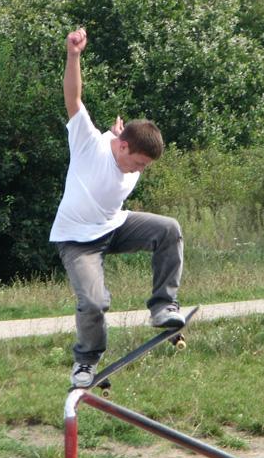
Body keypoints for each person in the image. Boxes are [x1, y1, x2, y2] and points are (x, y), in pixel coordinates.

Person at [50, 28, 185, 388]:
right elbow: (73, 99)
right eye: (137, 164)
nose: (139, 171)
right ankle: (86, 363)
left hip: (114, 225)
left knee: (168, 229)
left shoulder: (124, 144)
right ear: (123, 147)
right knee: (93, 302)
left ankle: (163, 307)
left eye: (144, 168)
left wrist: (120, 138)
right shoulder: (89, 143)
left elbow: (122, 150)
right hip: (77, 239)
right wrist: (74, 55)